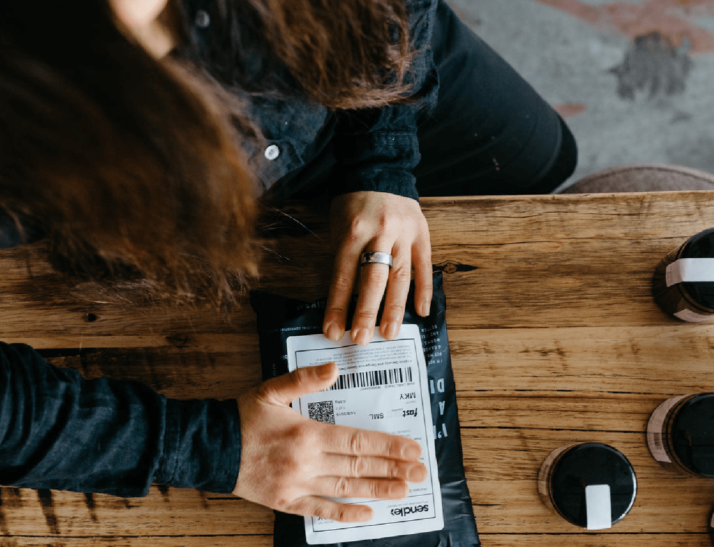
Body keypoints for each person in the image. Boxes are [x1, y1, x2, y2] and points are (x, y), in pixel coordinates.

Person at [0, 0, 576, 524]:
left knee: (546, 164)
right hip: (160, 244)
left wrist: (384, 163)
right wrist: (214, 448)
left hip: (372, 84)